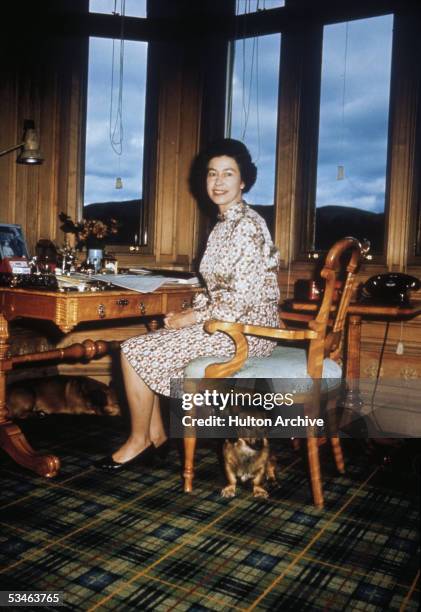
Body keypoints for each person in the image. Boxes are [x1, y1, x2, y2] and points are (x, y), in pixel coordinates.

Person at [96, 138, 280, 470]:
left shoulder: (247, 226)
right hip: (227, 322)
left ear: (244, 181)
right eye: (212, 174)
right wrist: (188, 311)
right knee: (139, 346)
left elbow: (239, 301)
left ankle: (140, 441)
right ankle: (156, 437)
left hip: (248, 332)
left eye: (228, 174)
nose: (218, 182)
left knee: (133, 350)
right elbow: (219, 289)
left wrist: (191, 318)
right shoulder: (224, 225)